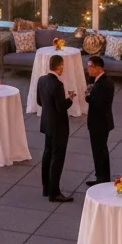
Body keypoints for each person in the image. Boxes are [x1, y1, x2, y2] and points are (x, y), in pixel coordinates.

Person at [37, 54, 75, 203]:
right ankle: (55, 192)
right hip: (58, 126)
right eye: (62, 66)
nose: (63, 68)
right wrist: (70, 99)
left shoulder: (41, 80)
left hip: (47, 123)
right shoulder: (57, 85)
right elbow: (61, 107)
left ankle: (46, 188)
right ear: (59, 66)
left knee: (47, 154)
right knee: (57, 158)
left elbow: (39, 102)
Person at [84, 55, 114, 185]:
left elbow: (98, 103)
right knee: (99, 151)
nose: (88, 69)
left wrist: (88, 97)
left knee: (99, 151)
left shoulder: (104, 84)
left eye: (90, 67)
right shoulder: (99, 81)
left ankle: (102, 179)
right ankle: (100, 177)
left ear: (98, 68)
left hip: (99, 124)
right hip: (99, 123)